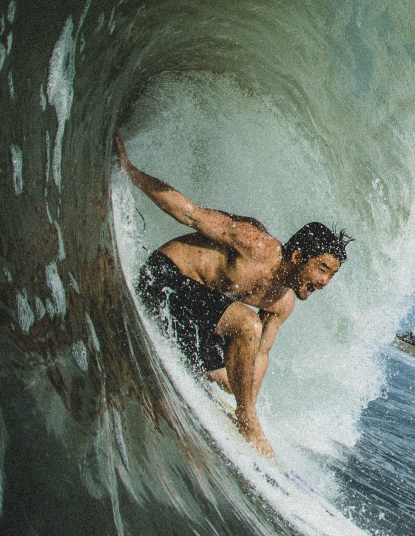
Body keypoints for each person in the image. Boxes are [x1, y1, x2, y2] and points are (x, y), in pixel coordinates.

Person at [116, 134, 350, 458]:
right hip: (163, 280)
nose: (324, 281)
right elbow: (190, 215)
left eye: (331, 275)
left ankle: (236, 410)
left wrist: (247, 400)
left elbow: (260, 357)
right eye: (322, 268)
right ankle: (246, 421)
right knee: (246, 324)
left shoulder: (283, 304)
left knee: (233, 377)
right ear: (297, 257)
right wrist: (130, 171)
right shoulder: (256, 246)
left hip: (185, 313)